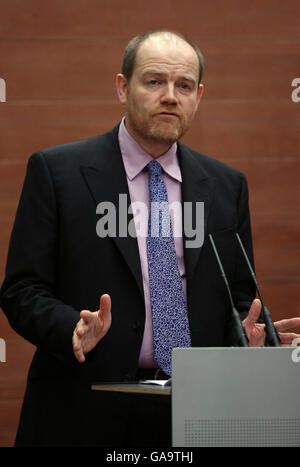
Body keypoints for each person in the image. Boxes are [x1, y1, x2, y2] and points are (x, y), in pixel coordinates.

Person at [1, 29, 299, 447]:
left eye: (184, 85)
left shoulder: (227, 186)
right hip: (84, 406)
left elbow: (237, 296)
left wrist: (255, 337)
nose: (171, 96)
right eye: (154, 81)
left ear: (199, 95)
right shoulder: (58, 173)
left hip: (195, 412)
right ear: (123, 87)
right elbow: (21, 289)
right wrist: (72, 327)